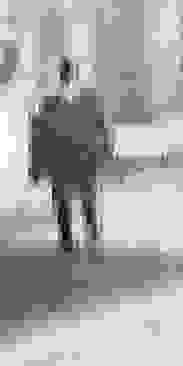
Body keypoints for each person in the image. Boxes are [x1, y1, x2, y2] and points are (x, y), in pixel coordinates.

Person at [34, 67, 116, 256]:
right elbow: (40, 133)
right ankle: (78, 237)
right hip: (71, 157)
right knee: (76, 199)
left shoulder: (54, 102)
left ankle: (75, 237)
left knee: (76, 199)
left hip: (72, 156)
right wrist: (104, 152)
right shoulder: (59, 102)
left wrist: (37, 166)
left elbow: (40, 134)